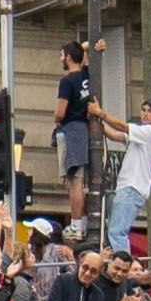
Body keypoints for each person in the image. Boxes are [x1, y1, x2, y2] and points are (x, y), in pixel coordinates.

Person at [94, 97, 151, 256]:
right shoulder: (142, 134)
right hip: (128, 187)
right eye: (144, 110)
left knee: (117, 232)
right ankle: (120, 264)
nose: (145, 114)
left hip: (132, 187)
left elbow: (123, 127)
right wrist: (96, 122)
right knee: (115, 231)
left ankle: (123, 267)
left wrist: (101, 114)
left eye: (150, 111)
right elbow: (115, 135)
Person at [53, 41, 97, 223]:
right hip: (83, 128)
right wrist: (84, 47)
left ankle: (76, 223)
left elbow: (60, 112)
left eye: (62, 55)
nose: (61, 58)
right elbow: (85, 58)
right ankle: (82, 221)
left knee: (74, 181)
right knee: (78, 180)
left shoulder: (67, 81)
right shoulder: (86, 75)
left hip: (71, 129)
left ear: (69, 57)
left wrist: (56, 118)